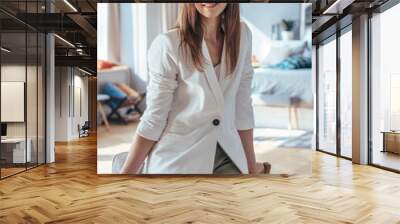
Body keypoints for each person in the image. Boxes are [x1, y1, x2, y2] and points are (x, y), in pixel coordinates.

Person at [120, 3, 270, 174]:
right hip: (178, 156)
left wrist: (251, 166)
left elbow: (242, 108)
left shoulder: (243, 36)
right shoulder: (168, 44)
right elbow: (154, 118)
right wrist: (125, 177)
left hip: (228, 152)